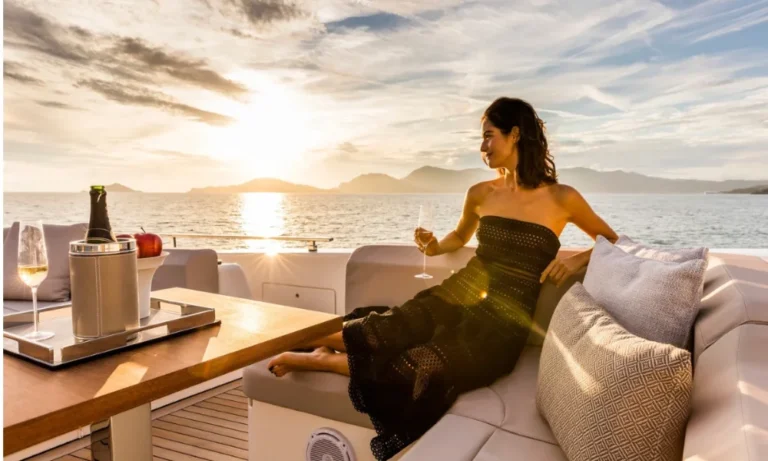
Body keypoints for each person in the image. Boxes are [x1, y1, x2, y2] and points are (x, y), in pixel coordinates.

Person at [267, 97, 619, 460]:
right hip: (463, 291)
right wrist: (434, 246)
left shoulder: (562, 197)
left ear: (515, 134)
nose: (482, 147)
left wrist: (576, 261)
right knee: (390, 327)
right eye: (480, 139)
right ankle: (294, 337)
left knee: (425, 367)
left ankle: (317, 359)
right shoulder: (480, 193)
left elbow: (612, 240)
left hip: (504, 322)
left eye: (488, 136)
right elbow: (460, 237)